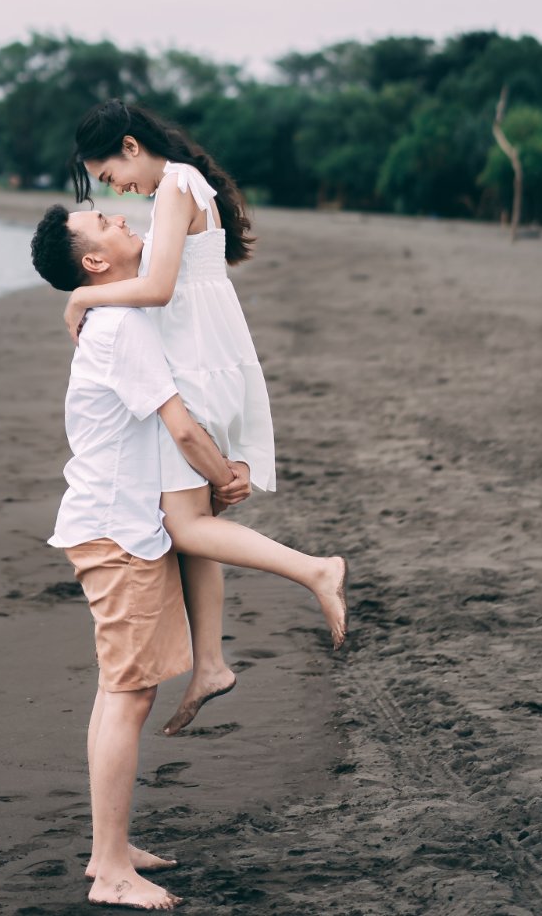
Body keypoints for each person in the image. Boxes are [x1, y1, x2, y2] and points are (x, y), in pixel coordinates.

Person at [65, 99, 347, 733]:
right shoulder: (183, 185)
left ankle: (316, 570)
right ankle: (211, 663)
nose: (118, 189)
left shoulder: (175, 186)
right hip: (208, 364)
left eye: (111, 176)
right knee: (195, 524)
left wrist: (82, 294)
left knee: (185, 525)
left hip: (194, 371)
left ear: (131, 147)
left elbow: (160, 288)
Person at [34, 207, 251, 909]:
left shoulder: (114, 311)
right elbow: (180, 427)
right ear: (94, 260)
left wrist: (81, 294)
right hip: (117, 532)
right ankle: (109, 868)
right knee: (128, 695)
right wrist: (225, 477)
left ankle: (113, 848)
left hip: (116, 525)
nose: (121, 216)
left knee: (120, 690)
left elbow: (175, 250)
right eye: (103, 219)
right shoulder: (120, 327)